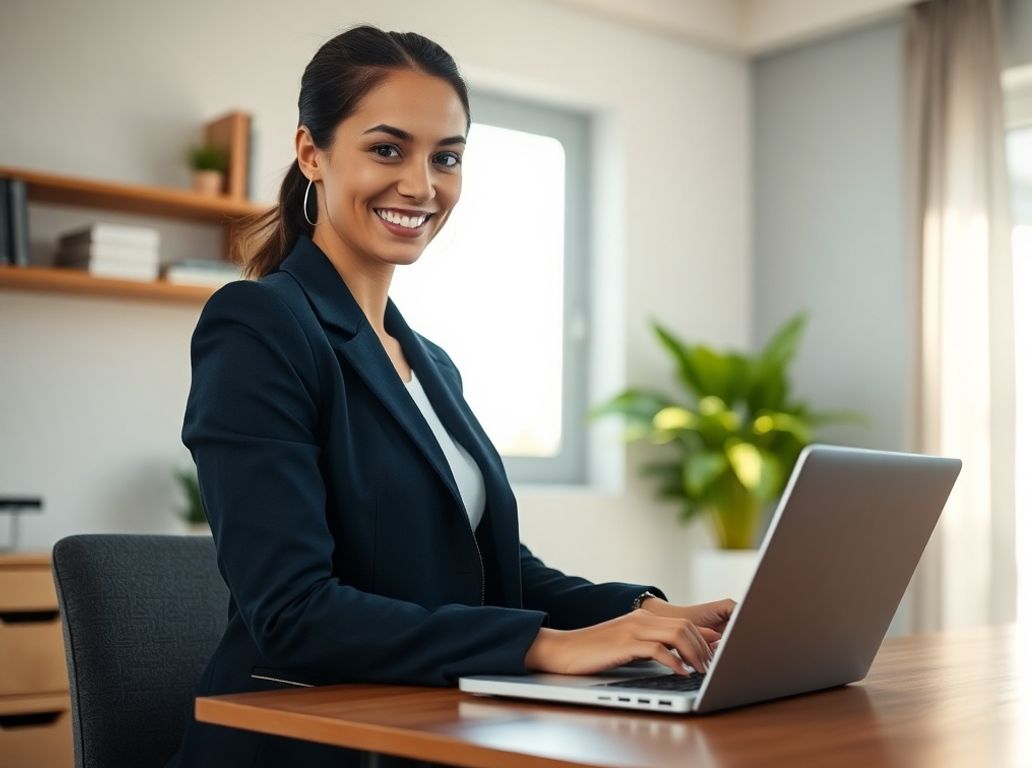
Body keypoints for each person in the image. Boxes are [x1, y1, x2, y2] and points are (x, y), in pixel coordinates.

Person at [170, 25, 735, 768]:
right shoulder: (260, 325)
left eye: (446, 158)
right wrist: (544, 647)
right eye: (386, 149)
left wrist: (644, 613)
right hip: (307, 743)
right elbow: (291, 611)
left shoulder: (430, 362)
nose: (421, 184)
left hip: (429, 728)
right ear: (312, 152)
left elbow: (497, 570)